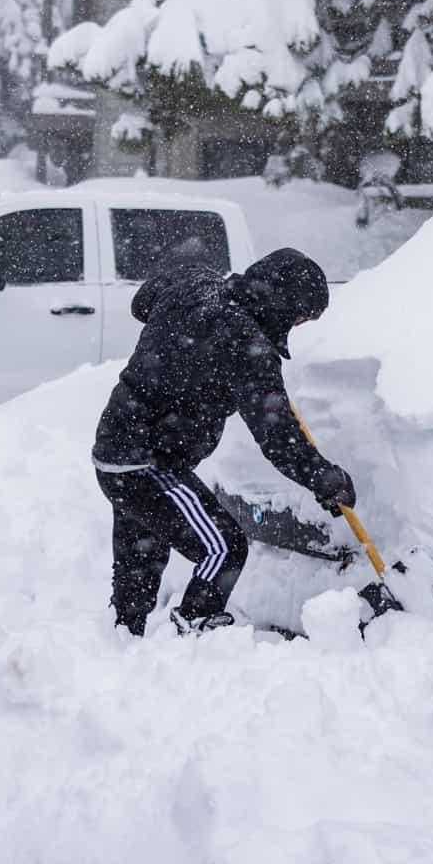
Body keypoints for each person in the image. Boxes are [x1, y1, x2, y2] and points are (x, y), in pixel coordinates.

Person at [93, 246, 355, 636]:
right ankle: (195, 630)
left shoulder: (193, 282)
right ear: (283, 304)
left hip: (115, 449)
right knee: (225, 549)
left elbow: (141, 303)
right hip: (149, 463)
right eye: (300, 318)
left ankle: (122, 639)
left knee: (141, 558)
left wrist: (180, 338)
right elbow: (278, 437)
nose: (297, 326)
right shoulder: (247, 348)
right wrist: (324, 478)